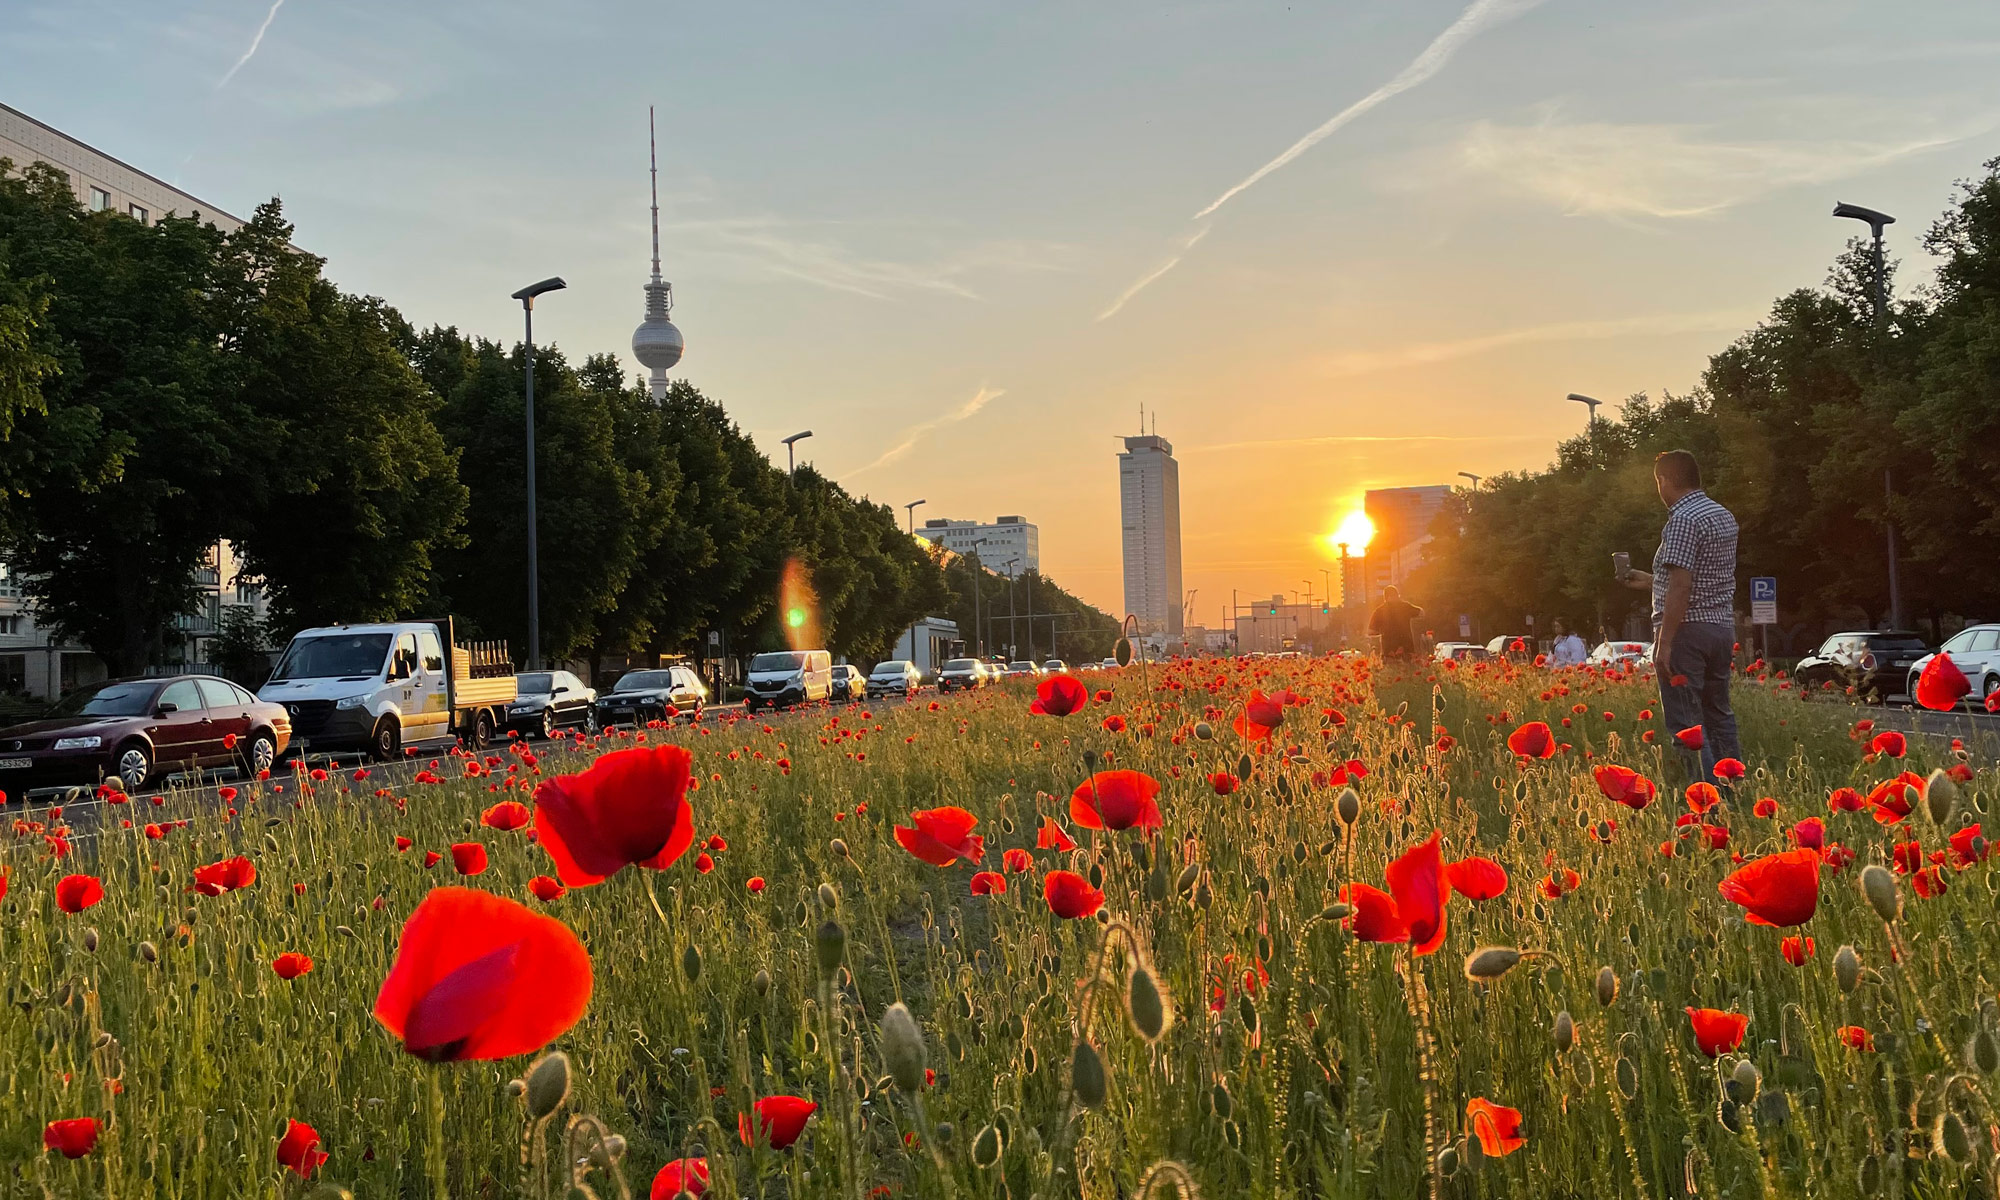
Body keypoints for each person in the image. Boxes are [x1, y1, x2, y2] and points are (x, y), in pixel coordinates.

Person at [1620, 449, 1742, 784]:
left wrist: (1665, 642)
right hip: (1720, 629)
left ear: (1664, 480)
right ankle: (1733, 791)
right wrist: (1651, 580)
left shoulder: (1682, 520)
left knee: (1687, 725)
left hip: (1687, 632)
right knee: (1719, 716)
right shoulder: (1722, 515)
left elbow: (1682, 586)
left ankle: (1705, 801)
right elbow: (1700, 577)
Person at [1367, 586, 1423, 659]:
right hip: (1407, 649)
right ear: (1395, 595)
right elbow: (1421, 613)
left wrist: (1384, 632)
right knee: (1408, 665)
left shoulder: (1379, 611)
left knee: (1391, 666)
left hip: (1388, 651)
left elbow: (1370, 632)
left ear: (1385, 597)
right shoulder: (1405, 606)